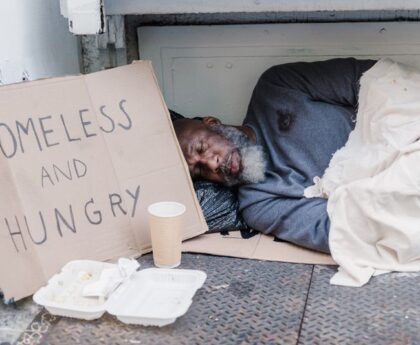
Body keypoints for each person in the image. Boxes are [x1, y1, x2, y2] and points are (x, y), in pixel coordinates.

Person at [174, 58, 376, 253]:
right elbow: (342, 231)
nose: (211, 164)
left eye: (201, 148)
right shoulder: (259, 203)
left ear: (213, 123)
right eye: (199, 171)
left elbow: (373, 80)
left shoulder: (276, 87)